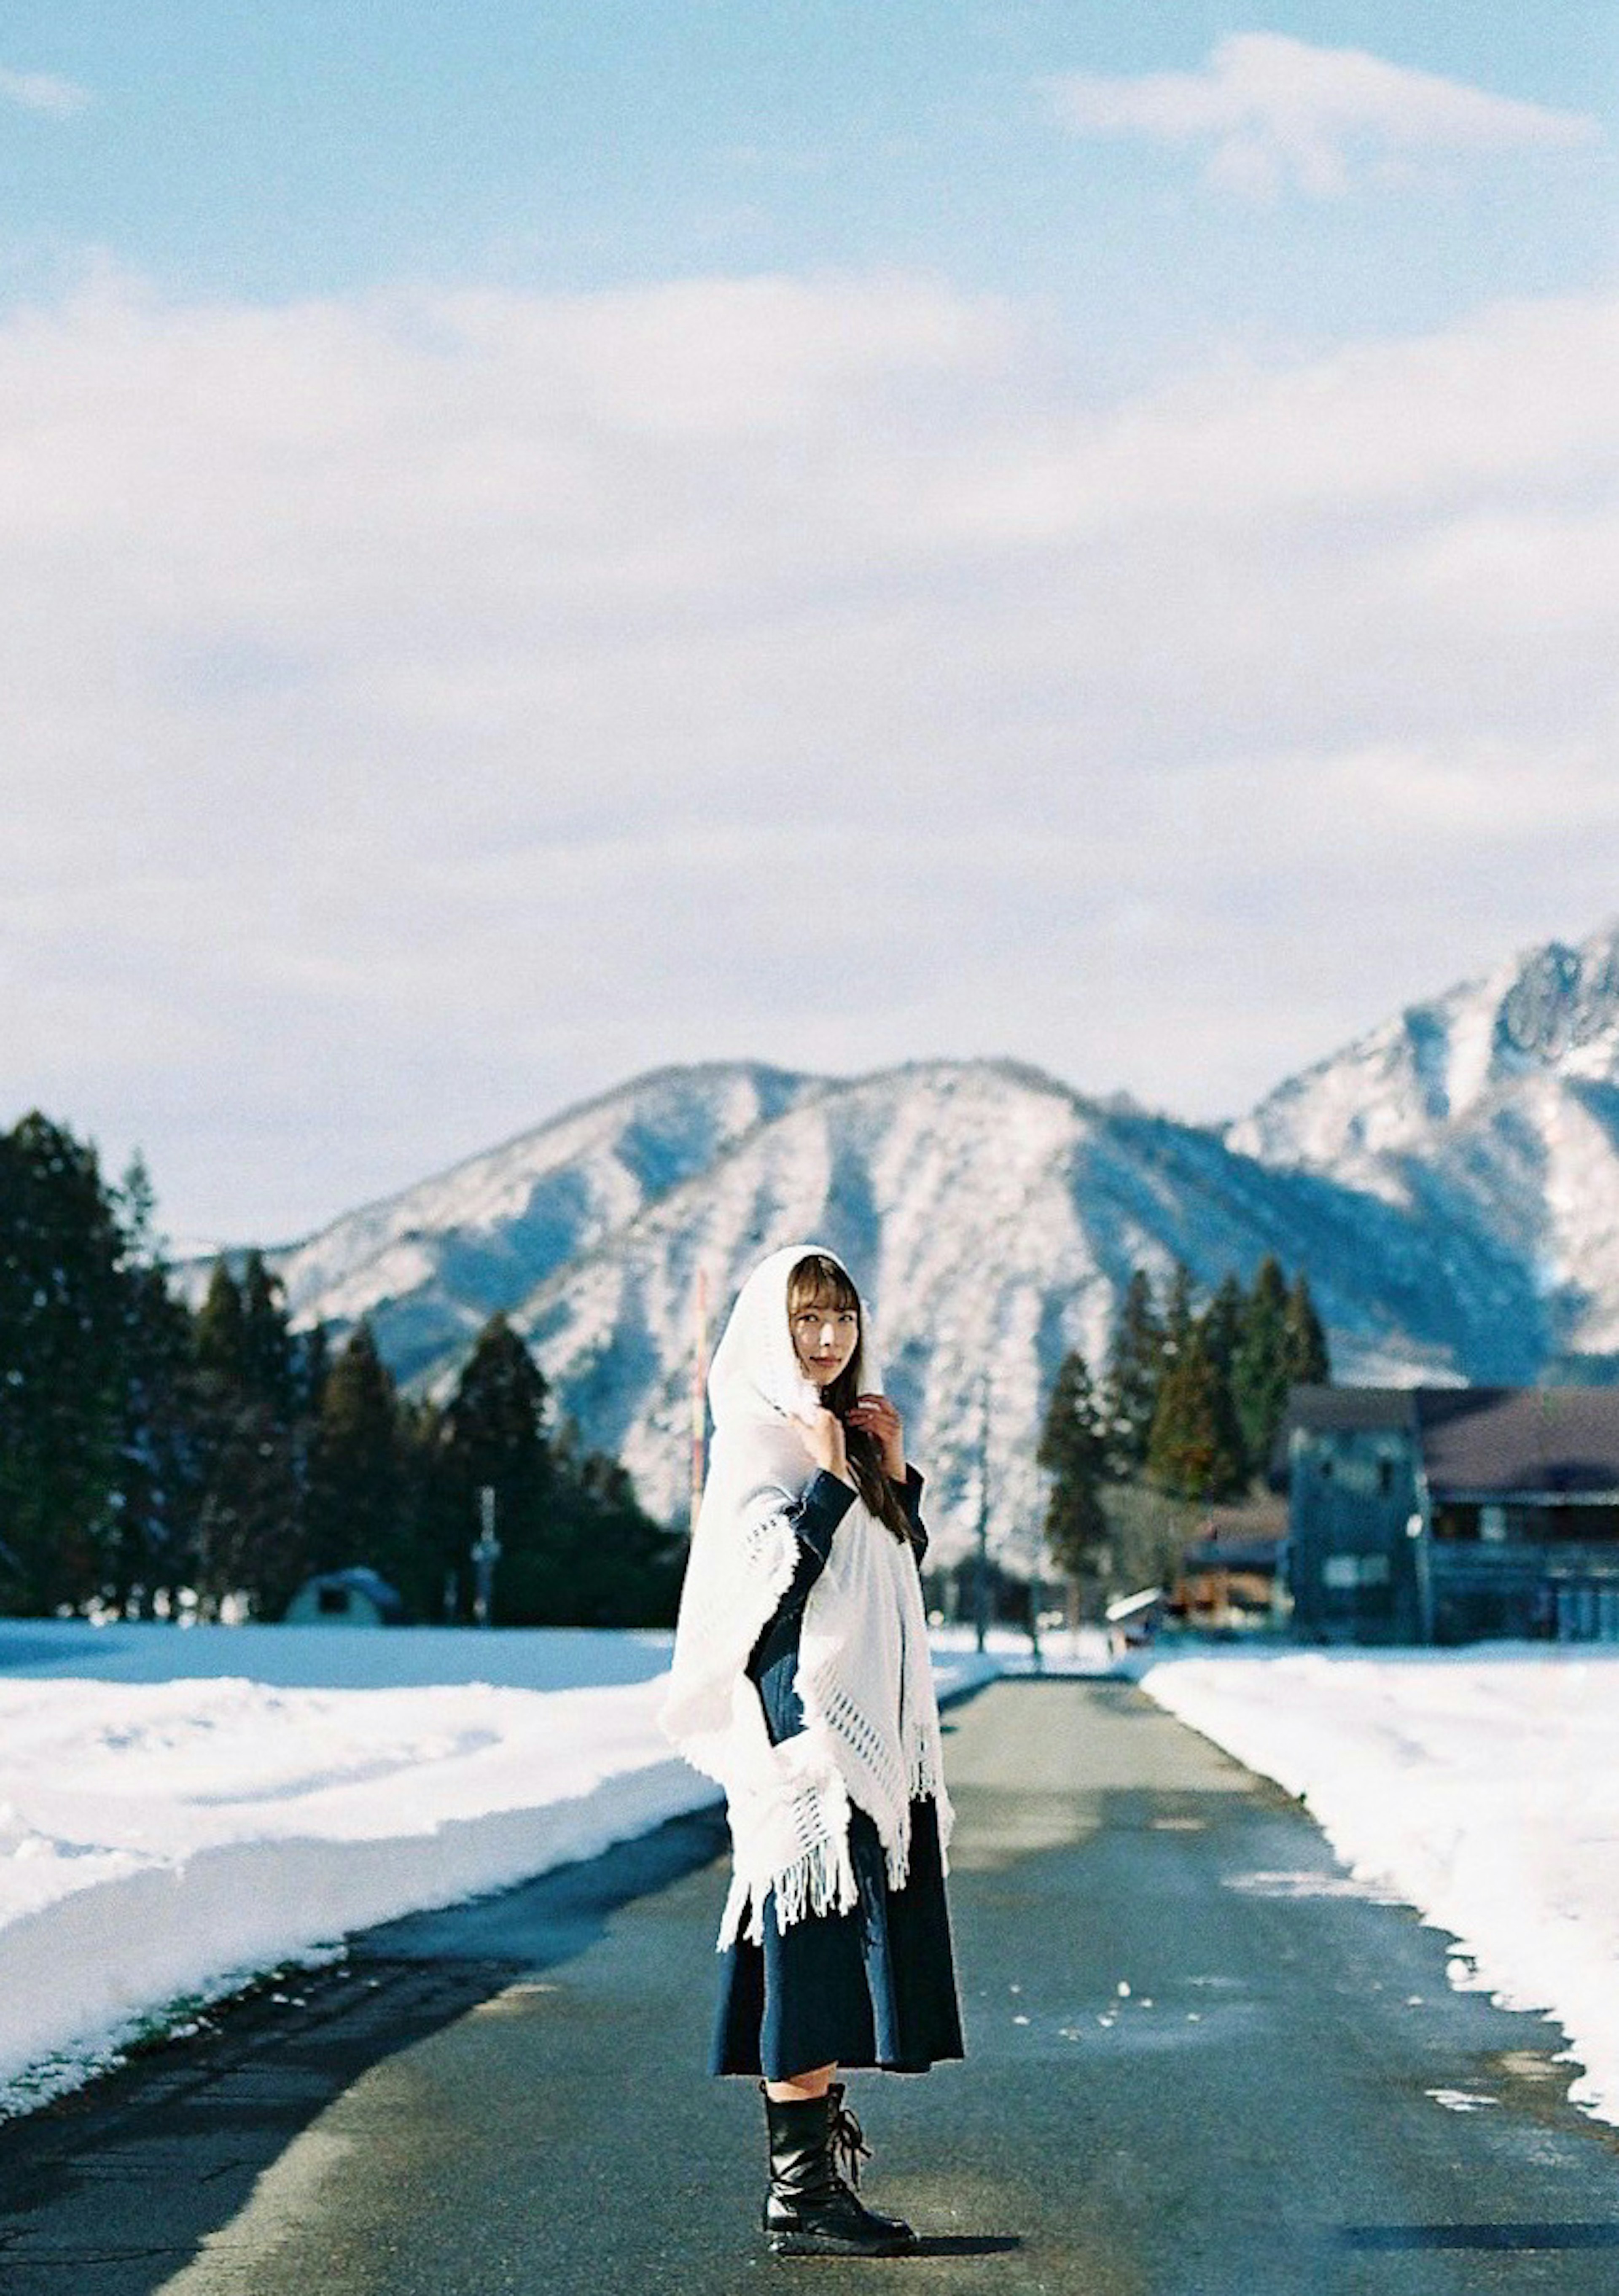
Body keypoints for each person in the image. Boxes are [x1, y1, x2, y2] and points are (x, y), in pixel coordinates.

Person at [659, 1243, 964, 2258]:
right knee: (805, 1954)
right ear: (767, 1330)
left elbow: (888, 1576)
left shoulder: (837, 1436)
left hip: (866, 1737)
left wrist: (890, 1470)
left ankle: (808, 2190)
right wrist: (829, 1482)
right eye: (806, 1320)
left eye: (841, 1318)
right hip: (803, 1738)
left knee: (834, 1961)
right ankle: (800, 2195)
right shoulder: (756, 1444)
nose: (827, 1338)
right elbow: (764, 1601)